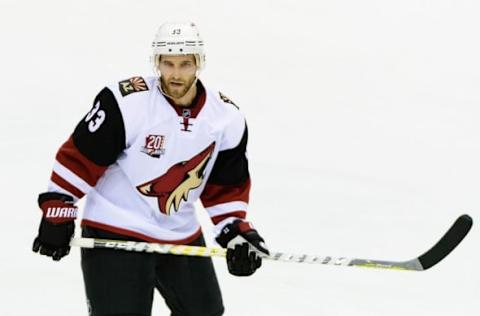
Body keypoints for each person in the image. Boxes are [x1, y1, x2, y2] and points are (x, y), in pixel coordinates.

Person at [32, 21, 269, 316]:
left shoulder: (226, 117)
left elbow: (225, 185)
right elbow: (81, 156)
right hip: (115, 228)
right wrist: (59, 204)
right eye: (167, 63)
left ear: (199, 64)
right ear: (156, 62)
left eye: (185, 64)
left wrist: (234, 229)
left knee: (204, 312)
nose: (175, 73)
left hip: (178, 232)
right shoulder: (126, 101)